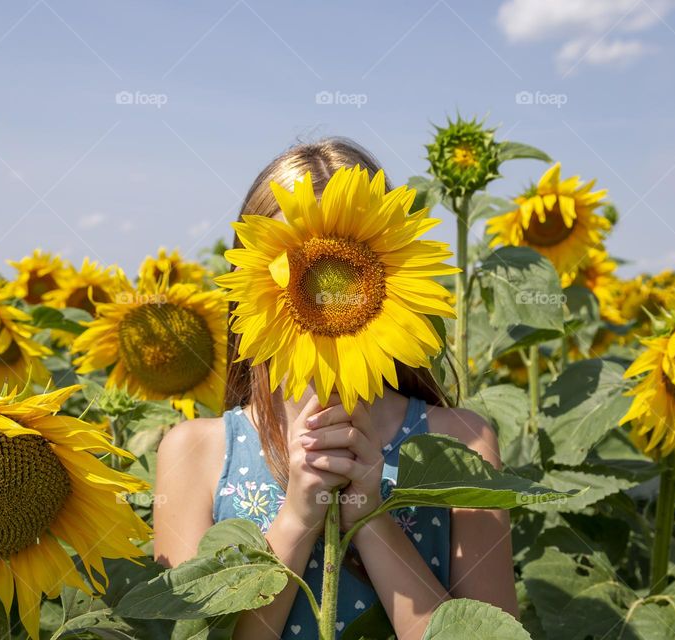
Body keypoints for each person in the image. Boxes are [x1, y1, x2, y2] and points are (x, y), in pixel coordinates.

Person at [154, 138, 517, 640]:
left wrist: (369, 514)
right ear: (256, 282)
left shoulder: (461, 444)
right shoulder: (194, 452)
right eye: (305, 276)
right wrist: (298, 518)